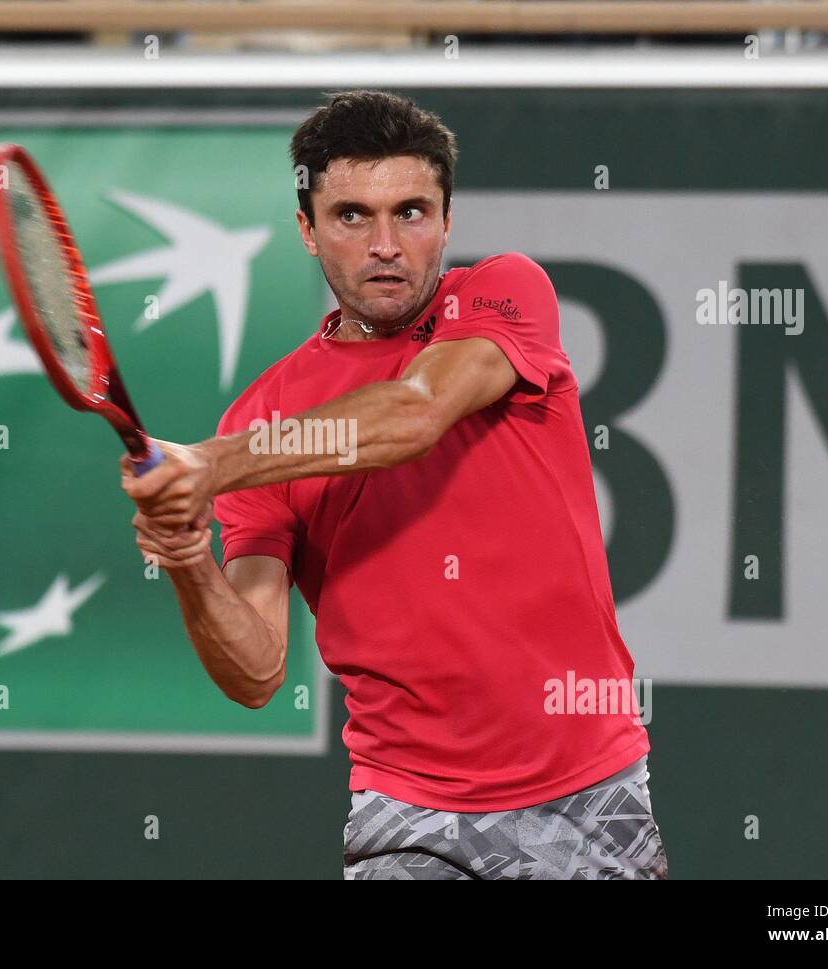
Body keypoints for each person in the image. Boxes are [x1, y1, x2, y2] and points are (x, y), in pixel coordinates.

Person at [120, 90, 668, 880]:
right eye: (351, 216)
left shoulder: (505, 292)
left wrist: (208, 465)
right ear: (308, 232)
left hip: (585, 793)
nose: (386, 244)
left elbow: (413, 413)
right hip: (404, 812)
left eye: (411, 212)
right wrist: (184, 555)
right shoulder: (262, 414)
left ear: (446, 222)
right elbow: (256, 670)